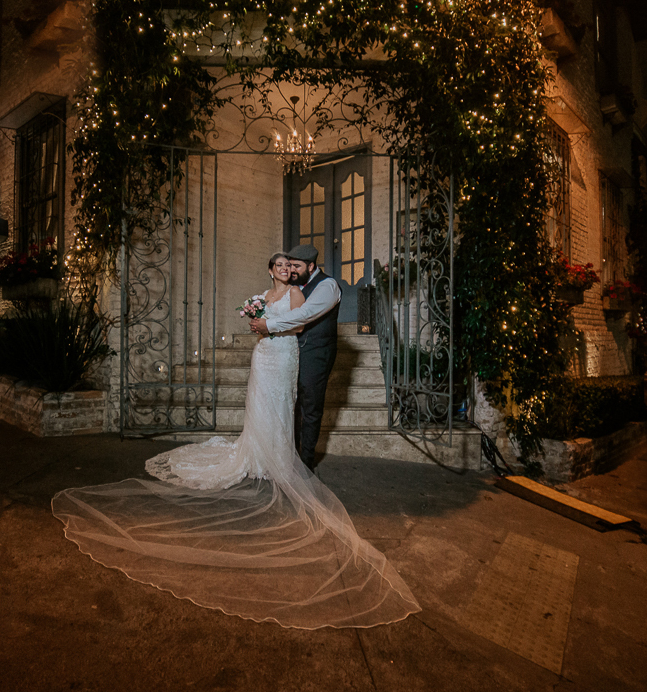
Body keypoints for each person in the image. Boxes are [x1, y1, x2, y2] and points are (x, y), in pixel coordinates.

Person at [51, 252, 419, 630]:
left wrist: (268, 324)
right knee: (262, 407)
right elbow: (258, 326)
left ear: (306, 266)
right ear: (271, 269)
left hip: (288, 354)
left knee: (291, 407)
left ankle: (289, 458)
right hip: (266, 357)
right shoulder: (263, 294)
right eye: (280, 265)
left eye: (291, 265)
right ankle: (260, 452)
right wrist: (259, 325)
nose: (286, 269)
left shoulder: (312, 290)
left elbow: (298, 325)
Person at [247, 243, 340, 470]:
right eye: (288, 266)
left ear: (311, 265)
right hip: (290, 352)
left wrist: (269, 324)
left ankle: (306, 463)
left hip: (316, 353)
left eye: (295, 266)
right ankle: (287, 455)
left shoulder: (328, 285)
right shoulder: (292, 286)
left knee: (310, 406)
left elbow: (305, 314)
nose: (291, 271)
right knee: (290, 405)